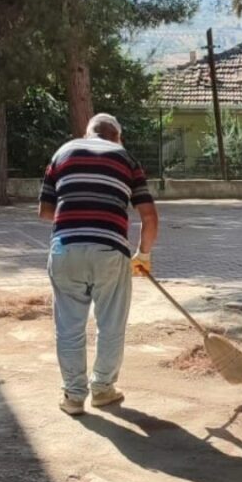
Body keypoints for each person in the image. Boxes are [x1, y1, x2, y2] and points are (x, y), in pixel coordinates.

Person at [39, 113, 159, 415]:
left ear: (87, 132)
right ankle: (103, 389)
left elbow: (45, 212)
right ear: (117, 137)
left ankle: (74, 397)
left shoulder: (62, 153)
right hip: (111, 251)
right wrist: (143, 255)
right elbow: (149, 217)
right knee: (111, 325)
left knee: (68, 327)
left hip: (65, 250)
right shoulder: (126, 159)